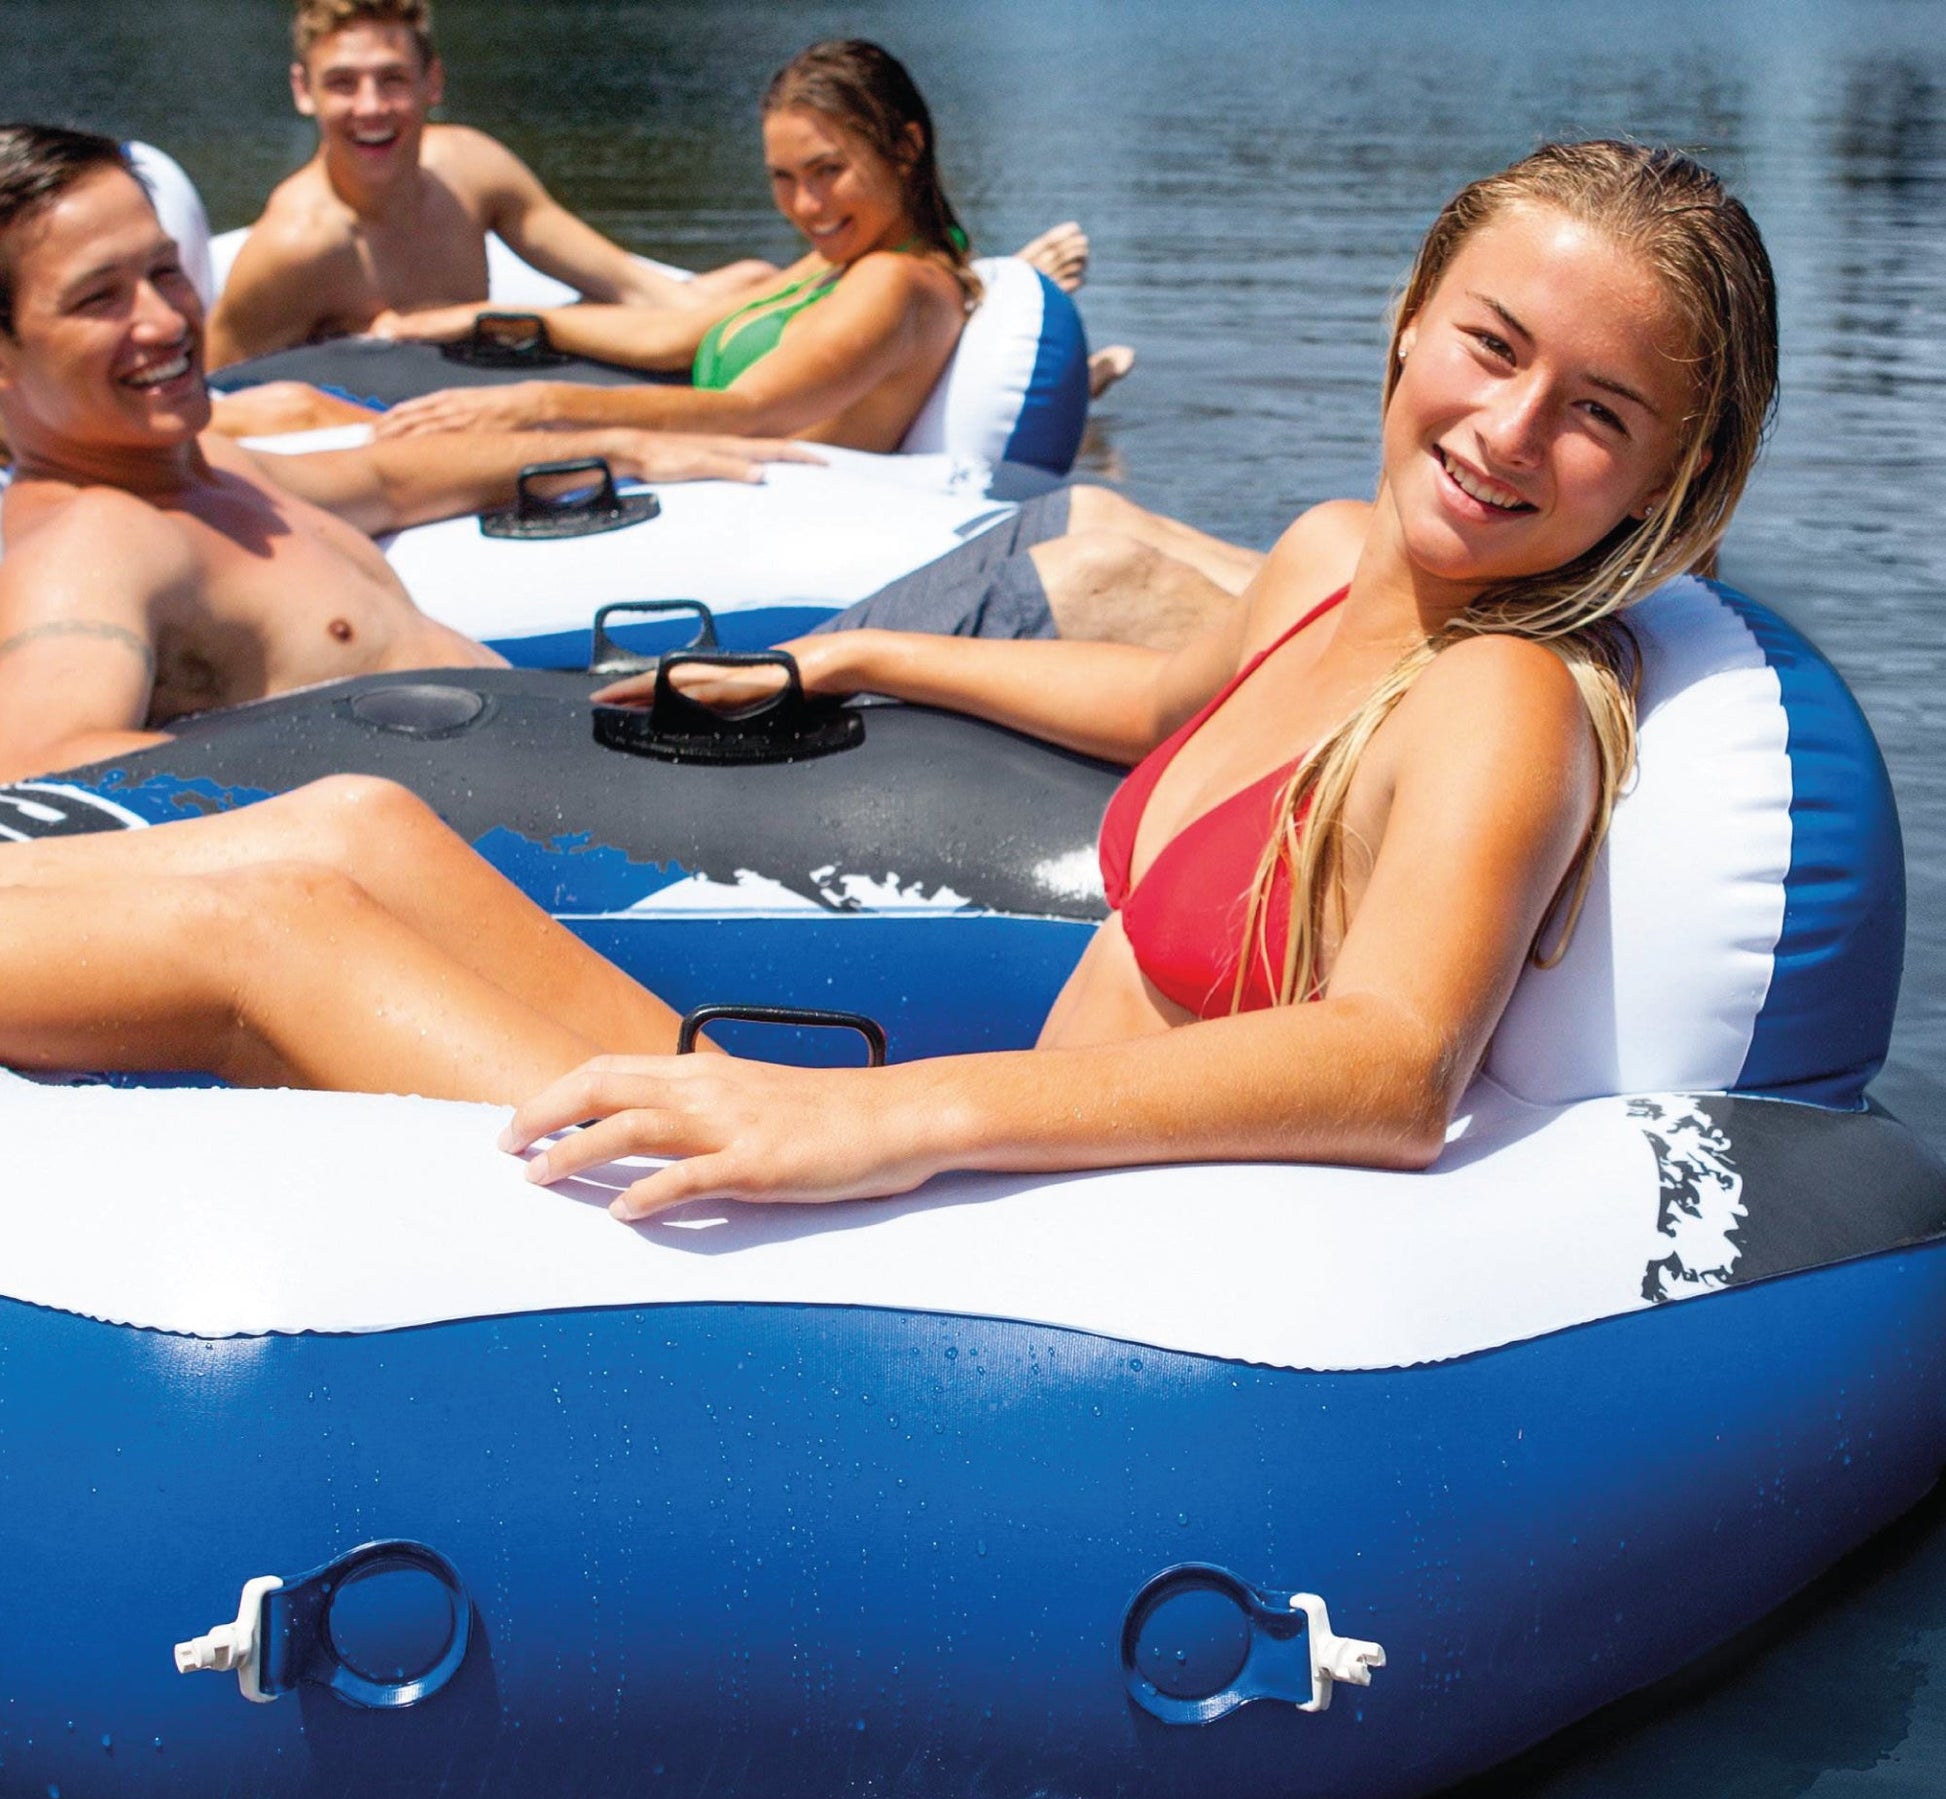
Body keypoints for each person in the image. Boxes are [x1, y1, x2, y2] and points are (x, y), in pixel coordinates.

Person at [0, 140, 1779, 1225]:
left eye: (1596, 414)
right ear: (1409, 319)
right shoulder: (1331, 558)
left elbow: (1390, 1065)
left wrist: (881, 1115)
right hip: (966, 1166)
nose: (1508, 429)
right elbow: (1165, 712)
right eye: (1489, 345)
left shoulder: (1497, 695)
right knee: (355, 830)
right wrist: (856, 651)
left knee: (270, 932)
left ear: (1667, 479)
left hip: (1012, 1244)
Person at [0, 124, 807, 783]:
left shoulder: (200, 469)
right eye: (99, 298)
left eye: (165, 270)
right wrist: (361, 821)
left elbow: (386, 480)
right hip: (538, 842)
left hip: (575, 756)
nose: (166, 321)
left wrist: (620, 444)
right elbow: (36, 774)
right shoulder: (88, 546)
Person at [365, 39, 1128, 453]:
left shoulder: (892, 283)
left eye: (828, 172)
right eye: (785, 179)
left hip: (731, 473)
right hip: (684, 433)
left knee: (317, 418)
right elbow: (675, 336)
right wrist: (492, 319)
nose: (807, 207)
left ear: (905, 147)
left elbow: (750, 412)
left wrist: (534, 405)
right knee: (318, 410)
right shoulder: (843, 259)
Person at [205, 0, 778, 369]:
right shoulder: (296, 248)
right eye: (343, 84)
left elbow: (631, 285)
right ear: (303, 92)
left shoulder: (472, 169)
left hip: (488, 374)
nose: (371, 107)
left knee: (753, 277)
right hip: (386, 431)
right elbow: (211, 392)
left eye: (393, 79)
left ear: (432, 82)